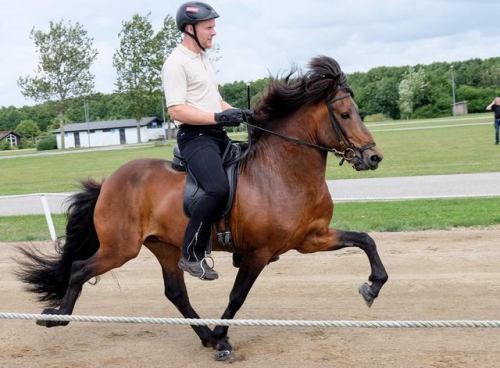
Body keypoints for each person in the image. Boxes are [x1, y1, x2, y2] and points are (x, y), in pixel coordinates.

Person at [161, 2, 249, 280]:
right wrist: (217, 117)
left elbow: (213, 99)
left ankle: (244, 242)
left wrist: (236, 112)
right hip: (195, 138)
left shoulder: (203, 59)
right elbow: (176, 110)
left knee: (251, 171)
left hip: (215, 133)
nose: (214, 33)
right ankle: (191, 253)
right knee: (217, 188)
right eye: (209, 27)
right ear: (190, 29)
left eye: (213, 27)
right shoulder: (176, 63)